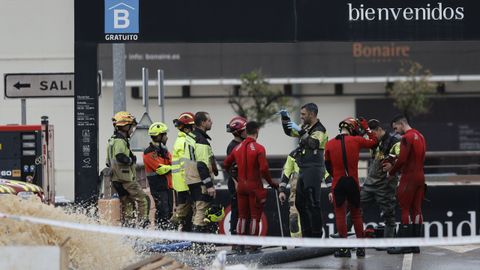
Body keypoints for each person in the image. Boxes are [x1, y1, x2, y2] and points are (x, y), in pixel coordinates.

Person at [337, 119, 401, 240]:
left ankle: (389, 243)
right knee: (356, 208)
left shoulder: (394, 142)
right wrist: (361, 129)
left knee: (389, 215)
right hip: (370, 184)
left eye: (372, 133)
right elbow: (355, 140)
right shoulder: (373, 141)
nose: (371, 137)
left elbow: (401, 157)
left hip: (386, 185)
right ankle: (341, 235)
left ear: (379, 129)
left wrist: (392, 165)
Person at [324, 117, 377, 257]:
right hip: (353, 182)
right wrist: (367, 128)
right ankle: (360, 248)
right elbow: (374, 142)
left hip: (338, 182)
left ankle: (344, 249)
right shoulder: (357, 140)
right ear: (353, 128)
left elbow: (327, 166)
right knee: (356, 215)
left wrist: (335, 175)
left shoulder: (329, 144)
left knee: (340, 216)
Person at [224, 121, 279, 253]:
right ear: (257, 131)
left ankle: (240, 244)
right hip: (255, 186)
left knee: (242, 216)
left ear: (245, 131)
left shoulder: (237, 148)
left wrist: (236, 177)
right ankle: (253, 245)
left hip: (241, 187)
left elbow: (226, 164)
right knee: (255, 217)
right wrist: (271, 183)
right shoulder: (259, 148)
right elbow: (264, 168)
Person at [280, 103, 328, 238]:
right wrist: (285, 119)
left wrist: (301, 131)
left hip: (314, 168)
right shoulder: (306, 127)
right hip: (303, 169)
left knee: (314, 204)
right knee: (300, 204)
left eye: (303, 114)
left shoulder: (320, 129)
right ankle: (307, 236)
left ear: (312, 114)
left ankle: (316, 237)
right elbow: (289, 131)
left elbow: (313, 144)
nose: (301, 117)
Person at [386, 115, 426, 254]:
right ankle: (415, 245)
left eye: (396, 128)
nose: (396, 131)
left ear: (401, 124)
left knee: (404, 208)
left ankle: (404, 245)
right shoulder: (420, 136)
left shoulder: (406, 138)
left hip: (409, 177)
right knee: (417, 209)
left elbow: (402, 159)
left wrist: (391, 173)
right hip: (420, 177)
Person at [106, 111, 149, 227]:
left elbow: (107, 162)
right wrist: (131, 160)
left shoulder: (112, 141)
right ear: (125, 126)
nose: (132, 130)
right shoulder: (120, 141)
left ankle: (128, 228)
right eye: (131, 126)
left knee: (128, 204)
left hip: (116, 180)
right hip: (125, 178)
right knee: (143, 200)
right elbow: (120, 156)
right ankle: (143, 224)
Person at [279, 151, 333, 238]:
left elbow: (326, 173)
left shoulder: (317, 156)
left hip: (312, 193)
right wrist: (281, 190)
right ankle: (298, 244)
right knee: (294, 219)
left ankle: (313, 240)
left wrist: (331, 190)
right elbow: (286, 173)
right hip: (296, 193)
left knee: (312, 216)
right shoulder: (293, 155)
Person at [183, 111, 217, 233]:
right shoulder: (201, 140)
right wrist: (209, 185)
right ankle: (198, 245)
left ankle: (196, 244)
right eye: (209, 120)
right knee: (202, 210)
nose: (211, 122)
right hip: (199, 180)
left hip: (191, 179)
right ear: (203, 123)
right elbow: (202, 164)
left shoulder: (191, 136)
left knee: (197, 210)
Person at [143, 122, 173, 229]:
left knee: (169, 211)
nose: (166, 137)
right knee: (162, 211)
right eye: (164, 134)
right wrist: (172, 167)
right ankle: (161, 234)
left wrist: (170, 167)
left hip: (168, 186)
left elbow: (171, 162)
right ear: (158, 136)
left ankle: (167, 235)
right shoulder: (149, 152)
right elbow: (160, 169)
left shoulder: (164, 150)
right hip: (158, 187)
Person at [170, 112, 195, 231]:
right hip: (185, 182)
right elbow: (186, 164)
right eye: (192, 126)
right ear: (186, 128)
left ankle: (178, 232)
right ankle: (170, 231)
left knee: (185, 210)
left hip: (180, 182)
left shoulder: (180, 140)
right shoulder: (185, 141)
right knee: (183, 211)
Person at [225, 116, 247, 238]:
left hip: (243, 181)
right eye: (244, 130)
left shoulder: (243, 144)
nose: (247, 132)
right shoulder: (233, 146)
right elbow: (231, 167)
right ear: (238, 132)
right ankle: (235, 235)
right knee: (237, 209)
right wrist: (236, 182)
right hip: (236, 182)